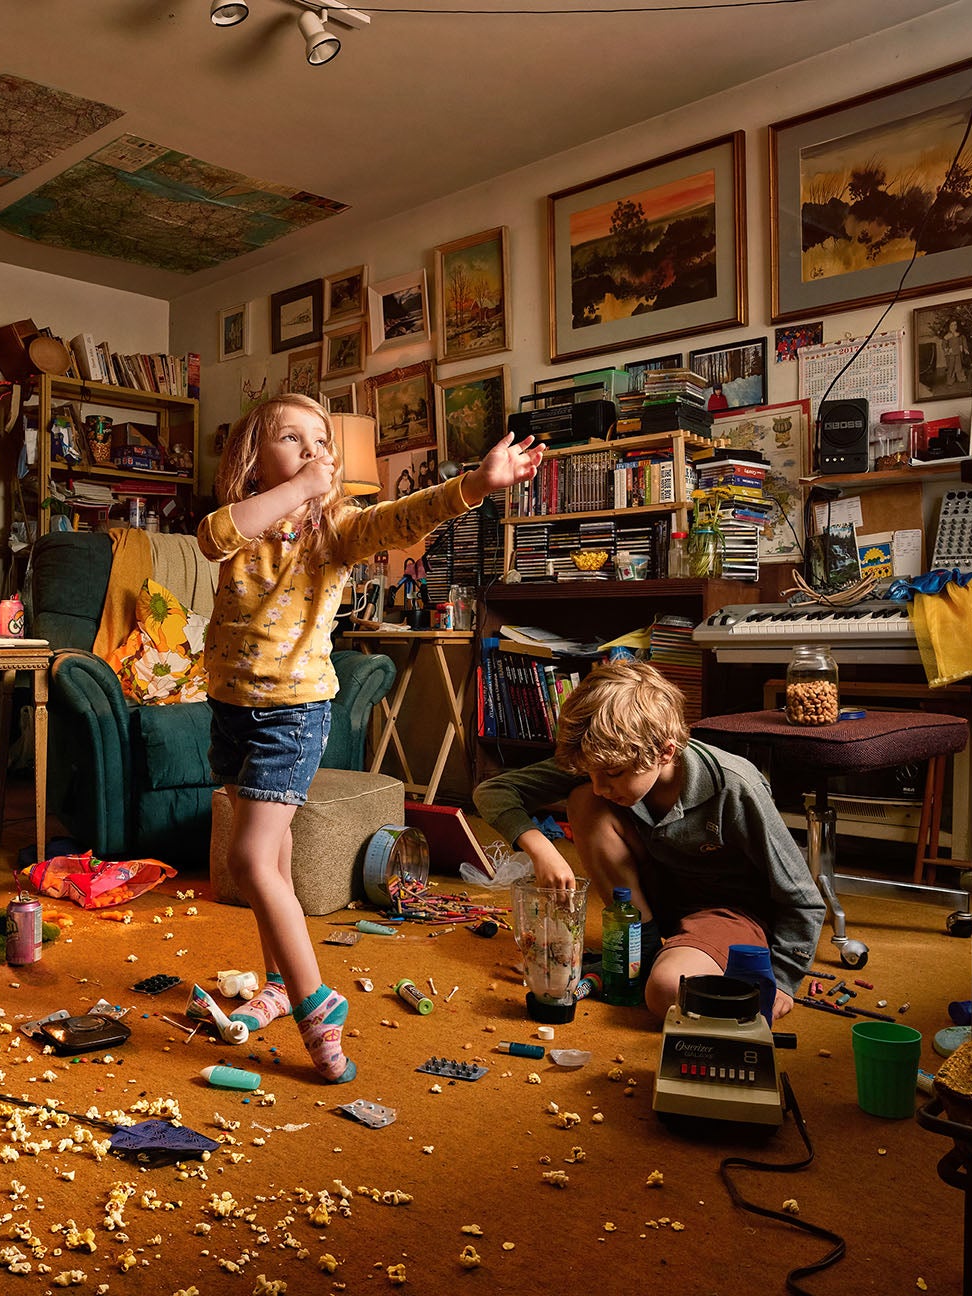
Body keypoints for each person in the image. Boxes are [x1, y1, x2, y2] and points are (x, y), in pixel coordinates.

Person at [198, 393, 540, 1082]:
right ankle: (273, 982)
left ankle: (315, 1004)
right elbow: (213, 536)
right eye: (290, 438)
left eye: (318, 441)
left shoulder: (339, 530)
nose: (310, 450)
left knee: (250, 860)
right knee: (278, 853)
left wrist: (477, 484)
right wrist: (295, 489)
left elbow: (405, 516)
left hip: (292, 715)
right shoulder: (239, 524)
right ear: (252, 455)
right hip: (231, 706)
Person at [472, 661, 825, 1023]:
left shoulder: (736, 785)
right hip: (655, 899)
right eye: (590, 772)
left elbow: (803, 898)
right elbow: (493, 791)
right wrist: (541, 847)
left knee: (665, 992)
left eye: (612, 774)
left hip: (724, 913)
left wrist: (783, 980)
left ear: (665, 752)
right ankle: (643, 945)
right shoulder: (605, 757)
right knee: (583, 801)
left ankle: (669, 959)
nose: (599, 784)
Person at [940, 317, 969, 386]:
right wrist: (946, 349)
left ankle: (961, 378)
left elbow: (963, 340)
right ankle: (950, 380)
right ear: (948, 326)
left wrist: (965, 348)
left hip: (958, 353)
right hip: (951, 354)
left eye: (955, 325)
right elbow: (943, 344)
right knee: (951, 367)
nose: (954, 327)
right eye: (952, 325)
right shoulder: (947, 336)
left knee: (959, 366)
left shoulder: (959, 335)